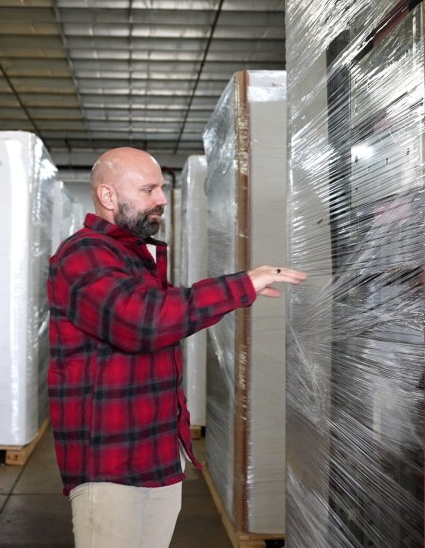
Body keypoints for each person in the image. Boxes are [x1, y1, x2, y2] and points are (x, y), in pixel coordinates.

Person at [47, 146, 306, 548]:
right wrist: (239, 285)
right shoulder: (83, 254)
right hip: (110, 464)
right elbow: (143, 322)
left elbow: (165, 318)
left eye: (162, 189)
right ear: (108, 196)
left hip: (157, 453)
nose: (162, 199)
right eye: (149, 190)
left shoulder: (134, 255)